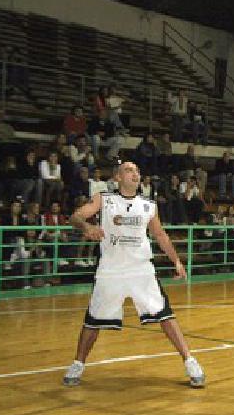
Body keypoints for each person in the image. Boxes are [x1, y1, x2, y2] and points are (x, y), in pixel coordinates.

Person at [62, 162, 205, 388]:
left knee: (165, 315)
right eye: (129, 170)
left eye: (137, 171)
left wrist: (176, 261)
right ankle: (78, 364)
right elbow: (75, 217)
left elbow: (160, 235)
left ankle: (190, 361)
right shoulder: (104, 199)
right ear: (118, 177)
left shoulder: (148, 205)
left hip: (140, 269)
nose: (135, 174)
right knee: (92, 320)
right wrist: (86, 228)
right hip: (111, 268)